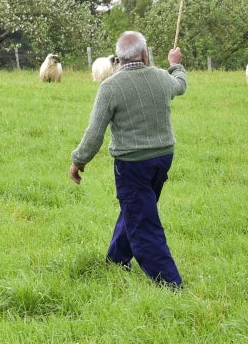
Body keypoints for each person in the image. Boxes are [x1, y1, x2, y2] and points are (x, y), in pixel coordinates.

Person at [69, 31, 187, 288]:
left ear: (119, 58)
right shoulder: (161, 77)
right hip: (163, 158)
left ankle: (171, 284)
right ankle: (116, 260)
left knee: (142, 222)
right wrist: (175, 63)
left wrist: (78, 160)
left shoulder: (110, 87)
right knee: (136, 208)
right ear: (144, 54)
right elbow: (180, 84)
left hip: (132, 164)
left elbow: (95, 131)